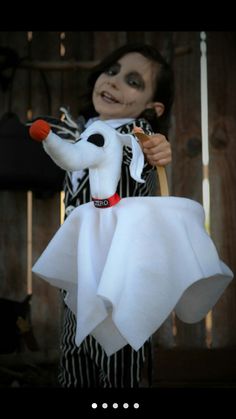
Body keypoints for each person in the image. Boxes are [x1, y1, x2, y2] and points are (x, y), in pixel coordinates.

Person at [32, 42, 174, 388]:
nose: (112, 82)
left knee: (120, 364)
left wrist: (156, 145)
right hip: (83, 277)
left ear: (152, 107)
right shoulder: (87, 133)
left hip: (121, 279)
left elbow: (152, 147)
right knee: (75, 357)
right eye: (111, 71)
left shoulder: (136, 136)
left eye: (132, 81)